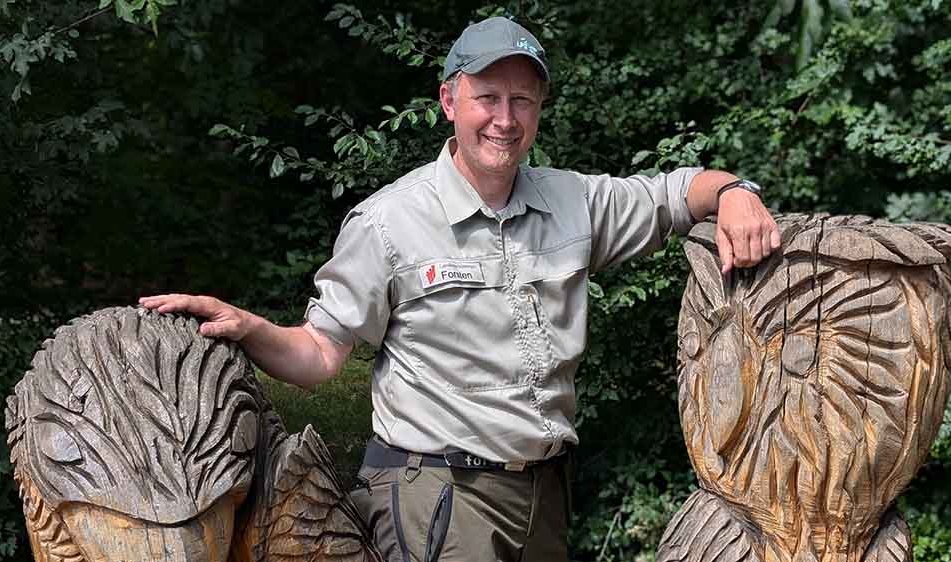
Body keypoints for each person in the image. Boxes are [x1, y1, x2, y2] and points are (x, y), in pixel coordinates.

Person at [140, 16, 780, 562]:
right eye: (488, 98)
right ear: (449, 101)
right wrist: (251, 328)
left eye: (522, 100)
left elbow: (676, 193)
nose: (505, 119)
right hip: (438, 496)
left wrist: (734, 194)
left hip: (544, 496)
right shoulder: (389, 222)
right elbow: (321, 353)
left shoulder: (573, 203)